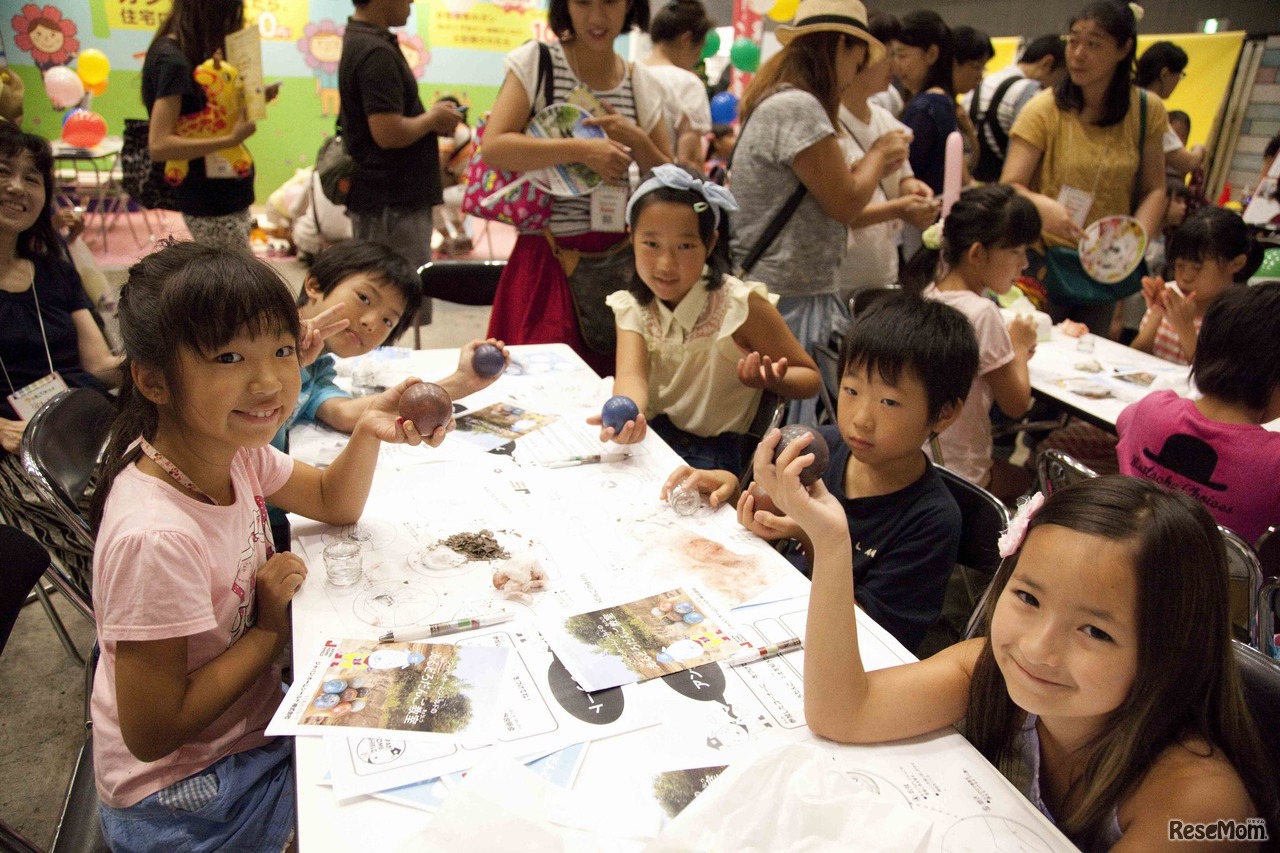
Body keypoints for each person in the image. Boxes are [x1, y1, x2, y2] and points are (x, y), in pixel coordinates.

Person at [87, 241, 446, 850]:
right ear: (153, 380)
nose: (268, 382)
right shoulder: (156, 538)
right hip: (189, 792)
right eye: (228, 357)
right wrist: (268, 631)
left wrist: (367, 430)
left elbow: (333, 501)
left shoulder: (233, 454)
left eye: (281, 351)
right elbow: (153, 734)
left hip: (249, 725)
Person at [769, 466, 1277, 850]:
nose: (1037, 648)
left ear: (1172, 650)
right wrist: (831, 543)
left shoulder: (1198, 805)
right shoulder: (987, 672)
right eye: (1028, 598)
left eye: (1094, 631)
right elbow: (843, 711)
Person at [736, 292, 978, 652]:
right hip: (770, 619)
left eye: (889, 402)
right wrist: (734, 493)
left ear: (943, 413)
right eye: (850, 390)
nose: (861, 419)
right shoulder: (822, 449)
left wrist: (814, 535)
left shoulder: (932, 521)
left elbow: (867, 637)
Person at [728, 0, 909, 419]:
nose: (852, 77)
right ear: (841, 45)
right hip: (789, 294)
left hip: (781, 290)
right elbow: (844, 202)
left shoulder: (778, 99)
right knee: (788, 428)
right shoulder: (799, 106)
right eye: (856, 62)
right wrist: (879, 154)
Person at [483, 0, 671, 378]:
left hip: (619, 260)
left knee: (617, 389)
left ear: (630, 5)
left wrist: (637, 140)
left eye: (610, 1)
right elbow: (495, 147)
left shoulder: (641, 82)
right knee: (538, 389)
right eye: (583, 1)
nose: (597, 17)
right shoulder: (538, 63)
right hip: (546, 258)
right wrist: (582, 150)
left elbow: (670, 179)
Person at [596, 165, 820, 472]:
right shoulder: (633, 304)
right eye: (651, 244)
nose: (666, 264)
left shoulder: (740, 306)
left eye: (685, 246)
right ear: (631, 237)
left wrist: (773, 380)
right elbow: (631, 376)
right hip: (654, 440)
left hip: (717, 456)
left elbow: (810, 378)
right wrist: (628, 414)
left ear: (710, 243)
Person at [1002, 1, 1168, 336]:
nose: (1078, 54)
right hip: (1041, 261)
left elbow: (1155, 187)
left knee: (1090, 352)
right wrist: (1044, 208)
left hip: (1104, 268)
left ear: (1124, 49)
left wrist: (1133, 242)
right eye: (1073, 41)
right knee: (1036, 347)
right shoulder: (1043, 108)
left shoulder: (1146, 109)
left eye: (1093, 44)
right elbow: (1010, 185)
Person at [0, 123, 119, 584]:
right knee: (119, 523)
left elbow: (100, 367)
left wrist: (174, 353)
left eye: (32, 178)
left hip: (83, 417)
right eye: (3, 172)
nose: (17, 187)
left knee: (178, 473)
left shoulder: (53, 271)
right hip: (18, 447)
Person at [1117, 284, 1280, 544]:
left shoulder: (1150, 409)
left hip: (1123, 555)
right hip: (1211, 571)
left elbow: (1122, 424)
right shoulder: (1273, 462)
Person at [910, 184, 1040, 501]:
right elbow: (1016, 405)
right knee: (1029, 480)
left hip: (916, 461)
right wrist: (1019, 346)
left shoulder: (927, 293)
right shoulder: (982, 313)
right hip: (958, 475)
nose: (1024, 264)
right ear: (977, 254)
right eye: (1016, 252)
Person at [339, 0, 463, 322]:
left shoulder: (364, 40)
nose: (412, 2)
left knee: (386, 305)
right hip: (392, 202)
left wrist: (429, 119)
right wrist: (432, 119)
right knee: (391, 306)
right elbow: (388, 132)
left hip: (388, 198)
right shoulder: (375, 52)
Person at [142, 0, 268, 250]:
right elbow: (159, 145)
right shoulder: (173, 61)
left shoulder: (181, 53)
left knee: (234, 265)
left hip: (221, 193)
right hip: (210, 199)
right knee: (230, 270)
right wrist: (230, 140)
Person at [834, 10, 938, 299]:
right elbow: (839, 210)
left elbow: (903, 180)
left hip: (883, 271)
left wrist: (915, 192)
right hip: (840, 276)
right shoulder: (829, 125)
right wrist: (899, 209)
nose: (895, 65)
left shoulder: (885, 119)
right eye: (888, 54)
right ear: (858, 56)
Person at [1131, 206, 1260, 366]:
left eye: (1196, 268)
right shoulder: (1171, 294)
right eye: (1179, 265)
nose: (1185, 277)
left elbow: (1213, 378)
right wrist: (1157, 313)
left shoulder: (1242, 317)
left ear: (1236, 264)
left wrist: (1185, 327)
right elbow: (1133, 360)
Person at [961, 34, 1066, 184]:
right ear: (1047, 63)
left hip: (974, 184)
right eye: (1061, 78)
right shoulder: (1033, 94)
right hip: (1009, 187)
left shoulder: (981, 83)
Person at [643, 0, 714, 173]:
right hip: (662, 185)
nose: (697, 58)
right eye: (700, 48)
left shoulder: (629, 72)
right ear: (686, 39)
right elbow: (689, 160)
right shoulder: (687, 84)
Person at [892, 10, 957, 198]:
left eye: (902, 55)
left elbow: (905, 168)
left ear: (931, 54)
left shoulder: (925, 107)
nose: (896, 66)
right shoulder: (942, 101)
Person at [1135, 41, 1206, 178]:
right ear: (1165, 74)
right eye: (1180, 75)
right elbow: (1187, 162)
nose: (1178, 81)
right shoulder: (1151, 108)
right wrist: (1199, 149)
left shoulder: (1125, 97)